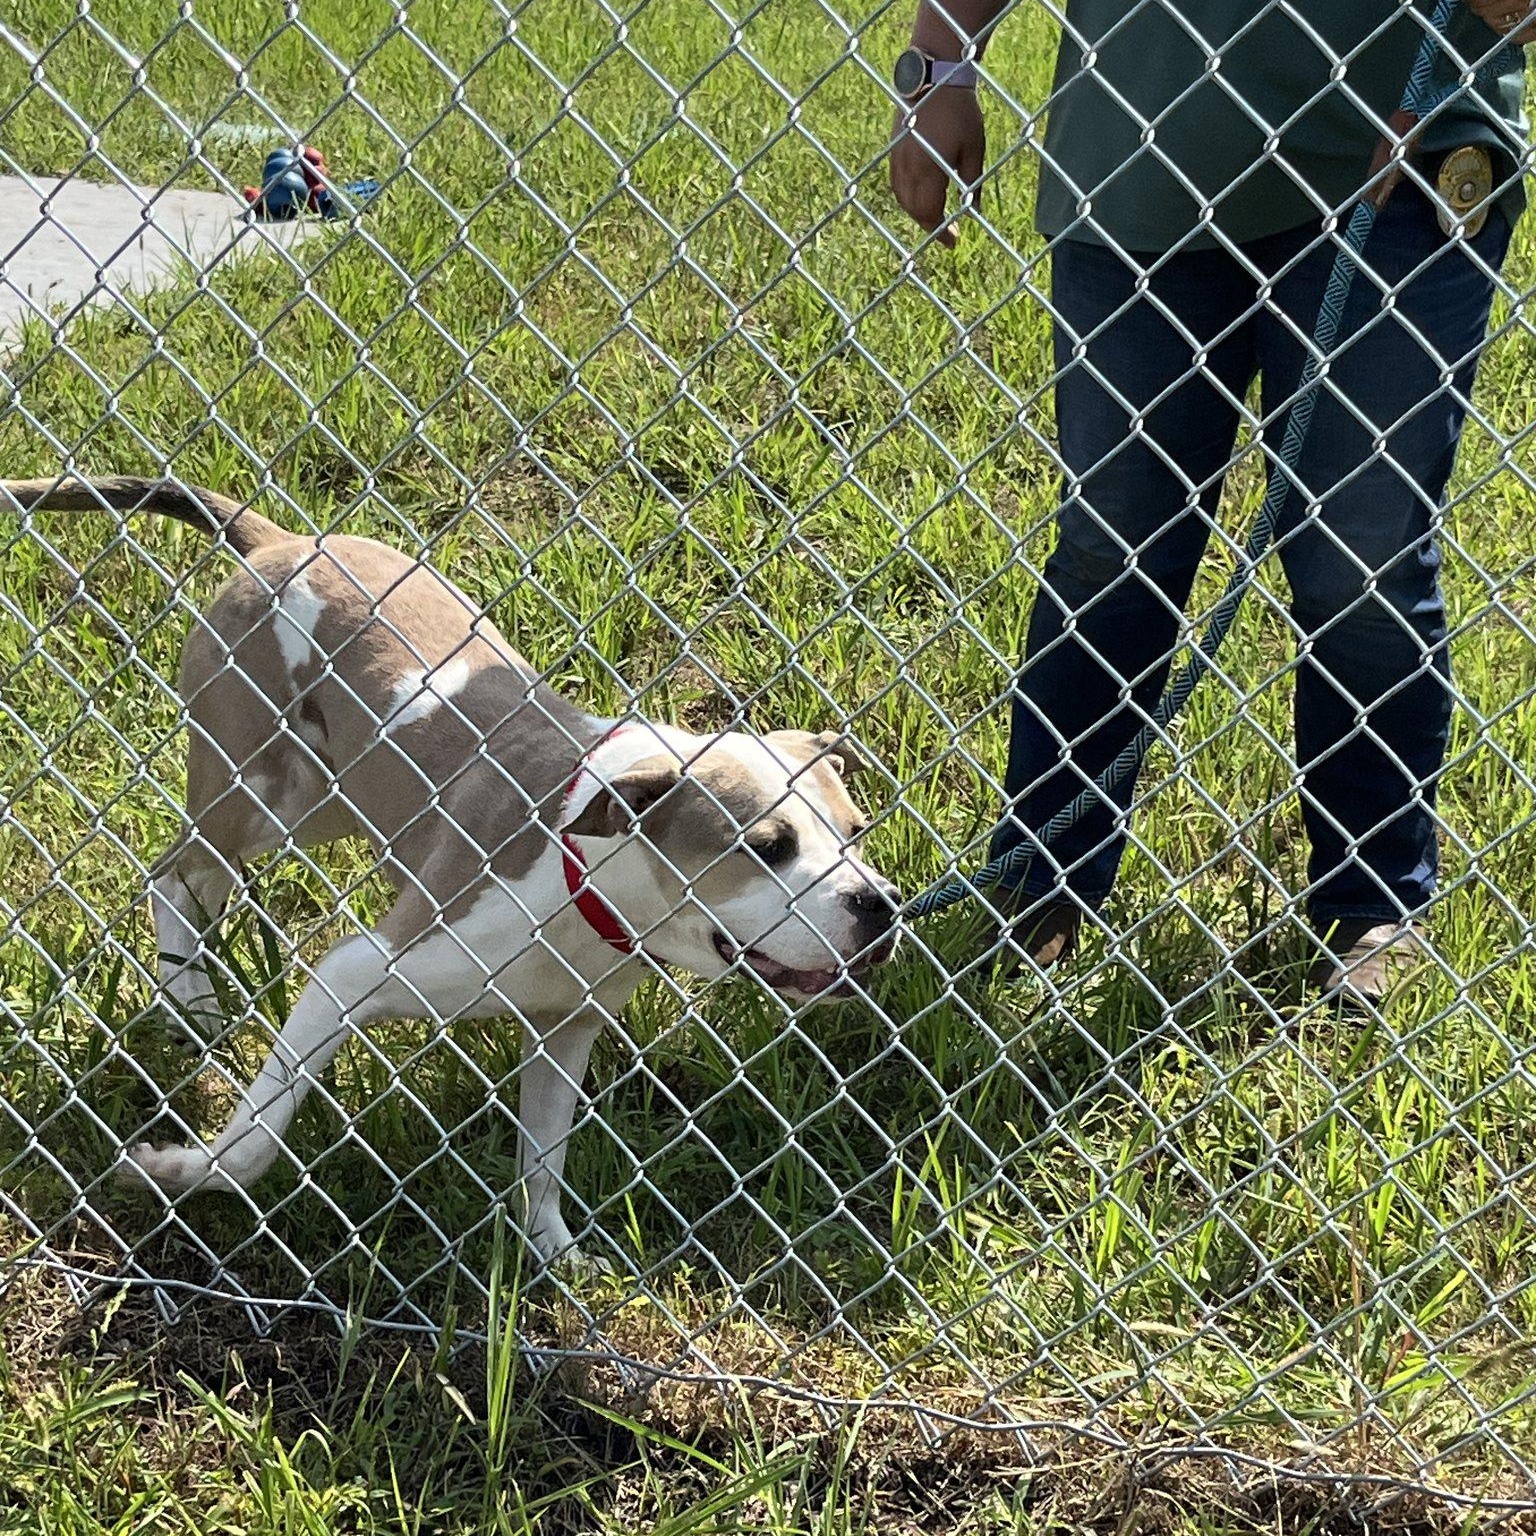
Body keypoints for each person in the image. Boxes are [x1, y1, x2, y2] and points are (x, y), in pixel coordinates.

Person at [889, 0, 1531, 999]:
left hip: (1403, 159)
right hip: (1143, 156)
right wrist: (942, 62)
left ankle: (1374, 898)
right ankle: (1046, 878)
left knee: (1358, 553)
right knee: (1115, 546)